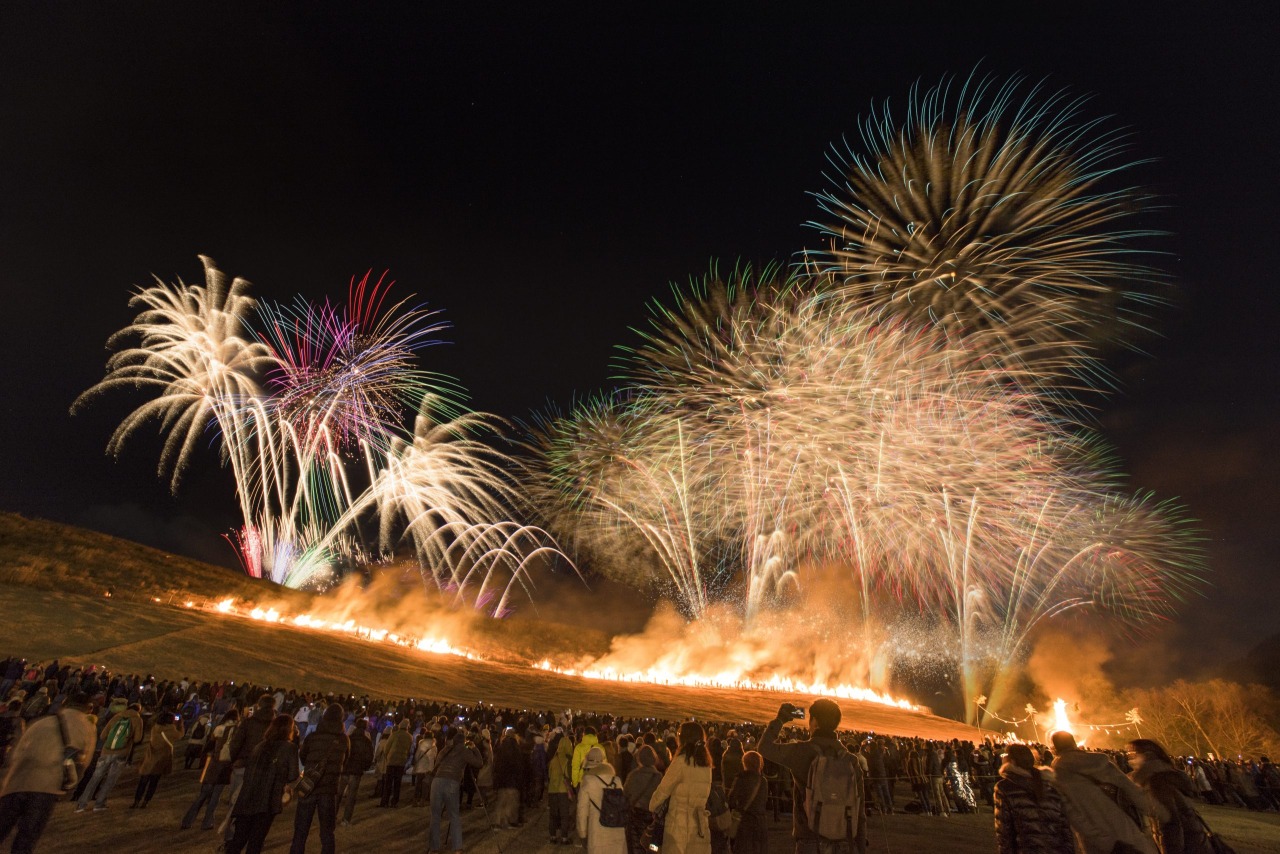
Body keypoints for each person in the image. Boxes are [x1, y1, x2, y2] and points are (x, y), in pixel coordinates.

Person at [759, 700, 866, 854]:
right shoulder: (851, 761)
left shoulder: (801, 751)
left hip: (810, 838)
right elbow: (859, 810)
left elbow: (765, 748)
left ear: (814, 721)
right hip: (844, 840)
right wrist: (860, 847)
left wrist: (780, 720)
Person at [0, 692, 94, 852]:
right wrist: (68, 788)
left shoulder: (42, 721)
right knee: (26, 838)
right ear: (88, 708)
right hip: (46, 787)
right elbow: (82, 763)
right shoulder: (86, 727)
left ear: (64, 703)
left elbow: (15, 753)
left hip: (16, 782)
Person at [1049, 731, 1156, 854]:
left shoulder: (1057, 775)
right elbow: (1130, 789)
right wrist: (1157, 811)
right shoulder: (1100, 762)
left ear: (1055, 748)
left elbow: (1073, 814)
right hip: (1124, 828)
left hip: (1098, 842)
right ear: (1074, 742)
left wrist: (1105, 842)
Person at [227, 714, 300, 854]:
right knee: (256, 841)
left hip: (247, 796)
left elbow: (249, 771)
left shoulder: (259, 746)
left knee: (238, 839)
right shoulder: (289, 748)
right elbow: (293, 775)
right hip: (267, 799)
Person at [1126, 739, 1211, 854]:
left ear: (1147, 755)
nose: (1129, 759)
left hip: (1188, 846)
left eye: (1132, 754)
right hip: (1194, 842)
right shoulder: (1165, 774)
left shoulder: (1157, 781)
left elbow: (1169, 824)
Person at [992, 743, 1075, 854]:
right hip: (1056, 849)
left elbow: (1004, 830)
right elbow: (1064, 827)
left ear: (1012, 761)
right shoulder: (1049, 785)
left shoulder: (1006, 787)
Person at [290, 702, 349, 854]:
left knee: (300, 831)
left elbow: (303, 757)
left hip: (310, 785)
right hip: (329, 789)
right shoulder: (343, 739)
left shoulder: (313, 736)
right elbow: (345, 761)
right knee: (327, 832)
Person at [650, 721, 714, 854]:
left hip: (678, 824)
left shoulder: (681, 761)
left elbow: (664, 789)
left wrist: (652, 805)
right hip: (699, 824)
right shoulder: (706, 764)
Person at [75, 700, 143, 811]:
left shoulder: (117, 716)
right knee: (111, 779)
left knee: (95, 777)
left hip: (106, 751)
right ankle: (99, 803)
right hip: (122, 753)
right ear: (138, 711)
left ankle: (82, 804)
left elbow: (103, 736)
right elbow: (137, 739)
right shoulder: (137, 719)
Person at [180, 707, 240, 830]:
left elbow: (209, 745)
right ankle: (207, 822)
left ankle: (187, 821)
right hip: (225, 766)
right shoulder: (237, 731)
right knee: (215, 797)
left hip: (214, 763)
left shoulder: (219, 728)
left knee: (203, 794)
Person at [428, 728, 484, 854]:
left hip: (437, 781)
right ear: (463, 742)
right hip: (452, 782)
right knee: (454, 815)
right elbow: (479, 763)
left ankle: (434, 848)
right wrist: (474, 748)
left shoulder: (445, 750)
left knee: (435, 816)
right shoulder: (464, 751)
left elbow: (436, 764)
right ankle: (457, 848)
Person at [579, 745, 627, 854]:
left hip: (597, 832)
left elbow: (582, 811)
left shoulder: (587, 781)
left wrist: (583, 833)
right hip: (617, 830)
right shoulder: (616, 780)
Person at [132, 707, 184, 808]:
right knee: (153, 782)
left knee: (143, 782)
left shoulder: (155, 728)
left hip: (150, 758)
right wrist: (180, 724)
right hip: (160, 760)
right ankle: (146, 802)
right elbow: (180, 735)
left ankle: (136, 801)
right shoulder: (172, 730)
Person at [726, 750, 768, 854]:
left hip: (745, 820)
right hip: (760, 821)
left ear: (745, 763)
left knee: (743, 849)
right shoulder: (763, 781)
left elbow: (731, 799)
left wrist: (737, 807)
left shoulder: (741, 778)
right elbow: (764, 800)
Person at [624, 745, 663, 854]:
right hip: (652, 818)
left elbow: (625, 794)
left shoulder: (633, 775)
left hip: (636, 816)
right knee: (651, 846)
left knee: (635, 845)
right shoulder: (659, 777)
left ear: (639, 758)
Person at [337, 717, 373, 826]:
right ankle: (346, 819)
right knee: (351, 796)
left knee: (338, 794)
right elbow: (369, 757)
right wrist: (364, 767)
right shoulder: (366, 741)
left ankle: (332, 815)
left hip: (346, 769)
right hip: (356, 771)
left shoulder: (349, 738)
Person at [548, 731, 577, 845]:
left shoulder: (553, 759)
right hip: (563, 791)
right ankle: (564, 837)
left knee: (553, 814)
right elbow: (570, 776)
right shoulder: (568, 759)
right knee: (564, 814)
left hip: (552, 789)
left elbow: (550, 774)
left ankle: (553, 836)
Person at [379, 718, 412, 807]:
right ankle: (394, 802)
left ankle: (385, 802)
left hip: (391, 760)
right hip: (401, 761)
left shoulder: (394, 734)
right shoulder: (409, 737)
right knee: (397, 783)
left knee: (388, 783)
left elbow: (387, 748)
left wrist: (387, 757)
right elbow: (409, 749)